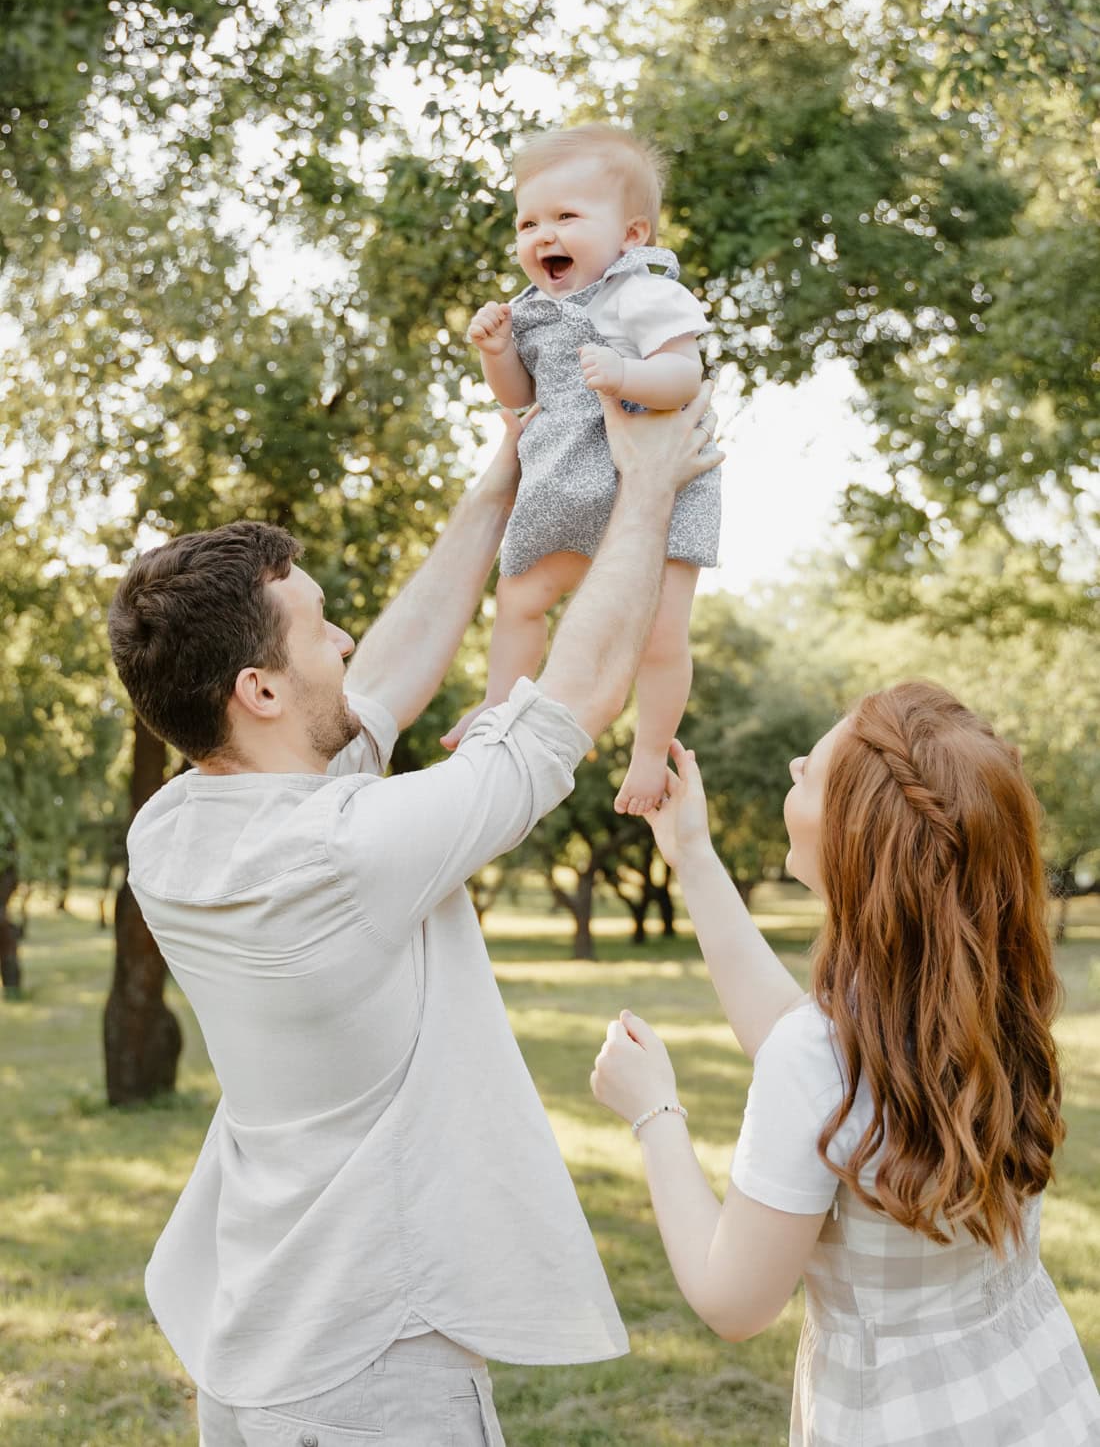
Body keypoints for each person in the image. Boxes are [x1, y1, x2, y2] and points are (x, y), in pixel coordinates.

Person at [106, 390, 723, 1447]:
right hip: (373, 1374)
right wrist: (652, 488)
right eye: (316, 626)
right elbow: (575, 697)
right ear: (257, 690)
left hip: (249, 1353)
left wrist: (506, 465)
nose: (343, 635)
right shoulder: (347, 850)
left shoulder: (168, 835)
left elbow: (381, 675)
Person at [591, 685, 1100, 1445]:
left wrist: (653, 1111)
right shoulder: (991, 995)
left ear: (858, 836)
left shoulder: (828, 1051)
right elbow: (810, 1058)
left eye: (813, 772)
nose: (794, 764)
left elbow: (734, 1302)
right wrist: (693, 856)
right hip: (1039, 1398)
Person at [442, 123, 721, 819]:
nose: (543, 235)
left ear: (631, 234)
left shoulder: (641, 291)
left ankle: (651, 751)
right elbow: (519, 400)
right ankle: (499, 704)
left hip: (653, 482)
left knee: (659, 635)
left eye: (567, 217)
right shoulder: (532, 309)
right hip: (565, 480)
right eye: (529, 221)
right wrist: (497, 351)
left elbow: (686, 375)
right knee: (519, 599)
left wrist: (629, 371)